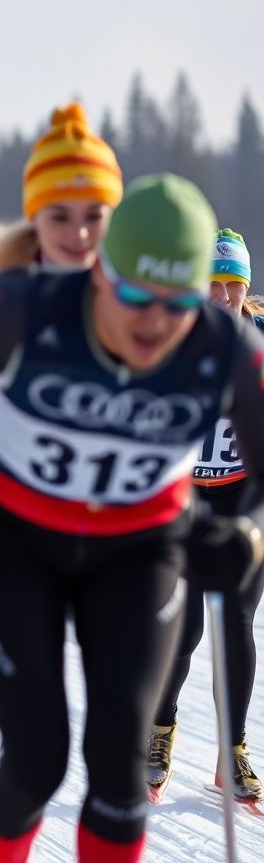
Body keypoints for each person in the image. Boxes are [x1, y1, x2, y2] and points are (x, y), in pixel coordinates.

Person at [0, 175, 264, 863]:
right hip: (16, 542)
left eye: (178, 304)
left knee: (121, 776)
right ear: (101, 275)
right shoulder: (23, 305)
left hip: (139, 550)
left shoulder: (226, 345)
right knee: (36, 761)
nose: (155, 323)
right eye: (134, 298)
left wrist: (241, 532)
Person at [148, 228, 264, 803]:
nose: (222, 296)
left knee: (236, 618)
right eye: (211, 284)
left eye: (233, 285)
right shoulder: (169, 337)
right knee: (186, 625)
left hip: (245, 494)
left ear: (246, 288)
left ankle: (233, 749)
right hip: (186, 496)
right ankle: (160, 731)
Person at [0, 102, 122, 303]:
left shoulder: (138, 300)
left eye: (94, 216)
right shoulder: (0, 302)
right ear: (34, 218)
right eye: (60, 217)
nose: (80, 233)